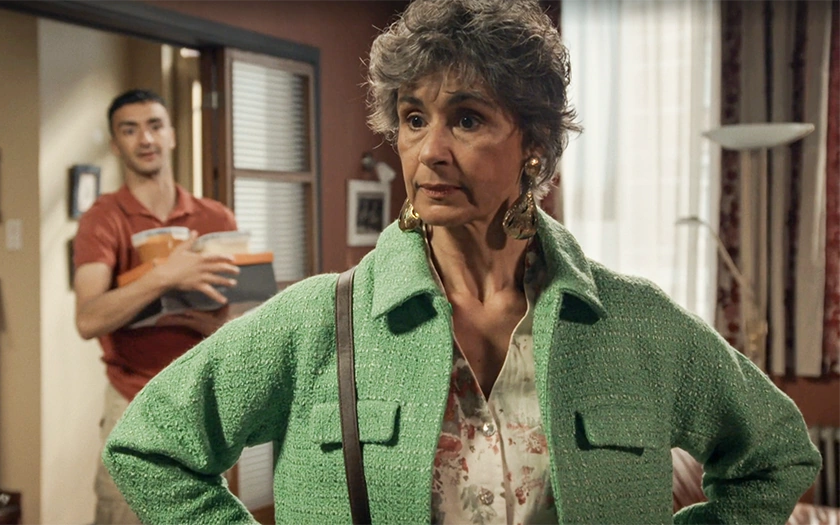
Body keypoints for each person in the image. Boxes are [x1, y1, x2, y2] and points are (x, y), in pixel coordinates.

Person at [102, 2, 821, 524]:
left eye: (467, 119)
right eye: (414, 119)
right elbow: (150, 447)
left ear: (533, 143)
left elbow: (778, 454)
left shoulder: (635, 322)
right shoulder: (318, 319)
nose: (430, 150)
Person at [72, 89, 240, 525]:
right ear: (116, 144)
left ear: (171, 135)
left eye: (154, 126)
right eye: (130, 130)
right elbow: (88, 319)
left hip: (202, 402)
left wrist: (210, 324)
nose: (145, 139)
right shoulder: (102, 218)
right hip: (133, 403)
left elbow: (242, 320)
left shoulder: (216, 217)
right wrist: (165, 276)